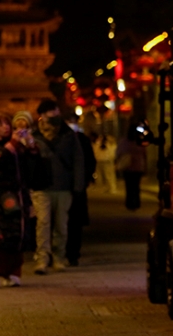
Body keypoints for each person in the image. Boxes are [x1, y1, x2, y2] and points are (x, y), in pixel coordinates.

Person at [0, 111, 38, 288]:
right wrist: (13, 144)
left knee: (17, 234)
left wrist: (31, 147)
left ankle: (12, 272)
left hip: (19, 194)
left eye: (7, 123)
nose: (6, 127)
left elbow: (31, 167)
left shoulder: (17, 144)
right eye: (1, 124)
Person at [31, 98, 85, 274]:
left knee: (61, 225)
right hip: (41, 186)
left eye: (55, 111)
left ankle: (59, 257)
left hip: (63, 186)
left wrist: (78, 186)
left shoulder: (68, 134)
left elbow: (78, 160)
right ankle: (42, 259)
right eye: (49, 112)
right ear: (41, 116)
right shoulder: (34, 135)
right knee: (43, 223)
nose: (54, 115)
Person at [64, 112, 96, 266]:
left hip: (78, 187)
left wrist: (85, 178)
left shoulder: (82, 139)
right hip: (61, 185)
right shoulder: (61, 139)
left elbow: (89, 160)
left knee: (75, 222)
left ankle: (73, 253)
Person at [115, 119, 148, 211]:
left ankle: (130, 203)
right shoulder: (140, 141)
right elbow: (144, 153)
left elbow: (118, 152)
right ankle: (136, 202)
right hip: (138, 166)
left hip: (128, 166)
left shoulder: (124, 141)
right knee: (136, 186)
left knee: (129, 186)